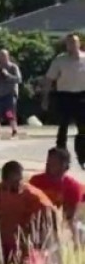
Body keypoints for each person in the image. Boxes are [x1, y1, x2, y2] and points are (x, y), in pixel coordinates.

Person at [0, 160, 57, 264]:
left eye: (20, 181)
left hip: (24, 246)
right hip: (1, 243)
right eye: (13, 183)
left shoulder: (33, 196)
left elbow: (51, 212)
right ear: (4, 181)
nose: (18, 186)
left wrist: (46, 241)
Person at [42, 33, 85, 168]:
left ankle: (82, 157)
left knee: (83, 129)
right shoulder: (60, 60)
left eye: (74, 42)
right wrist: (45, 98)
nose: (71, 45)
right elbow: (49, 79)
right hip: (64, 96)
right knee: (63, 128)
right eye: (69, 43)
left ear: (79, 44)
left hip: (81, 96)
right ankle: (61, 159)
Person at [29, 147, 83, 246]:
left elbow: (69, 217)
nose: (48, 165)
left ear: (65, 166)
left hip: (61, 228)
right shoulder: (35, 181)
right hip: (37, 226)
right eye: (48, 162)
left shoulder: (73, 187)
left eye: (53, 163)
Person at [0, 49, 22, 140]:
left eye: (4, 56)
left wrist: (8, 75)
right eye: (0, 56)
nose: (2, 58)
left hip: (9, 93)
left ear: (8, 56)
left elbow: (19, 79)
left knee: (10, 113)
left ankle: (14, 132)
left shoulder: (13, 67)